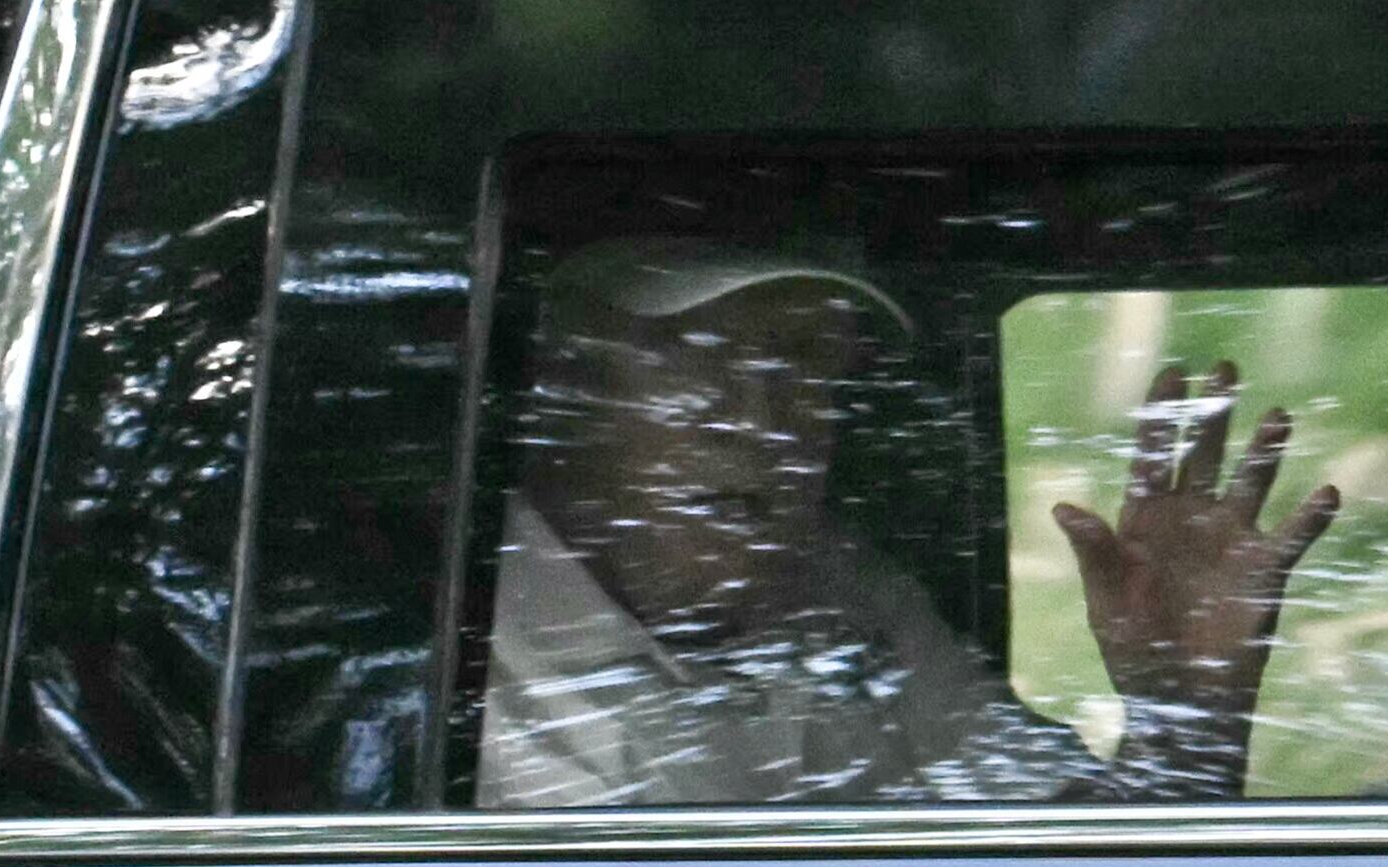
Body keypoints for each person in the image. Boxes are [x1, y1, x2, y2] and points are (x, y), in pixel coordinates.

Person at [476, 237, 1342, 807]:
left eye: (805, 362)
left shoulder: (837, 595)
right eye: (694, 354)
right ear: (568, 385)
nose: (761, 418)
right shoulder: (471, 652)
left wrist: (1182, 710)